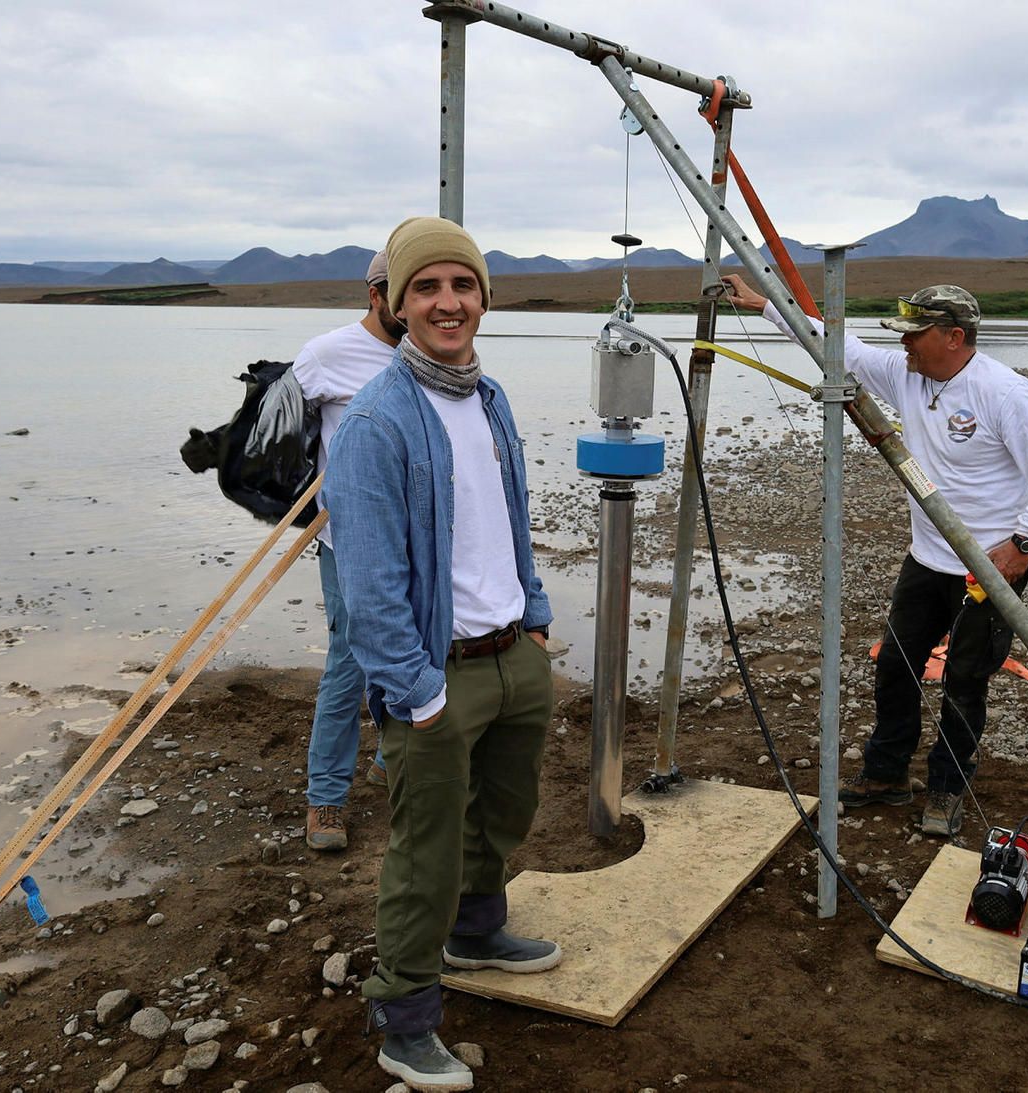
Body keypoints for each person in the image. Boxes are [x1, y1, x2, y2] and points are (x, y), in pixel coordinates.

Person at [721, 273, 1028, 837]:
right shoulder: (908, 374)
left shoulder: (1004, 393)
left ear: (955, 337)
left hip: (987, 567)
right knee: (895, 665)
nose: (904, 343)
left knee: (964, 681)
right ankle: (886, 774)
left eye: (916, 333)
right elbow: (840, 348)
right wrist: (768, 306)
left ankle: (946, 787)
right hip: (927, 558)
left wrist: (1022, 544)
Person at [331, 216, 558, 1090]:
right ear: (392, 303)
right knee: (424, 852)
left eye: (462, 285)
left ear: (483, 298)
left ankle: (476, 932)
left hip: (512, 656)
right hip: (436, 675)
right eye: (425, 288)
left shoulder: (488, 397)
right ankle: (405, 1016)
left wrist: (533, 616)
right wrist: (416, 690)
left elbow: (510, 515)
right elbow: (367, 584)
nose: (447, 302)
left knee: (501, 813)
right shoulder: (375, 423)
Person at [293, 248, 401, 852]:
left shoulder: (430, 355)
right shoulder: (327, 354)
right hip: (349, 537)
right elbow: (279, 426)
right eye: (401, 289)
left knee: (423, 643)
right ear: (376, 294)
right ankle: (326, 799)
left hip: (420, 535)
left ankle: (392, 754)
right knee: (350, 662)